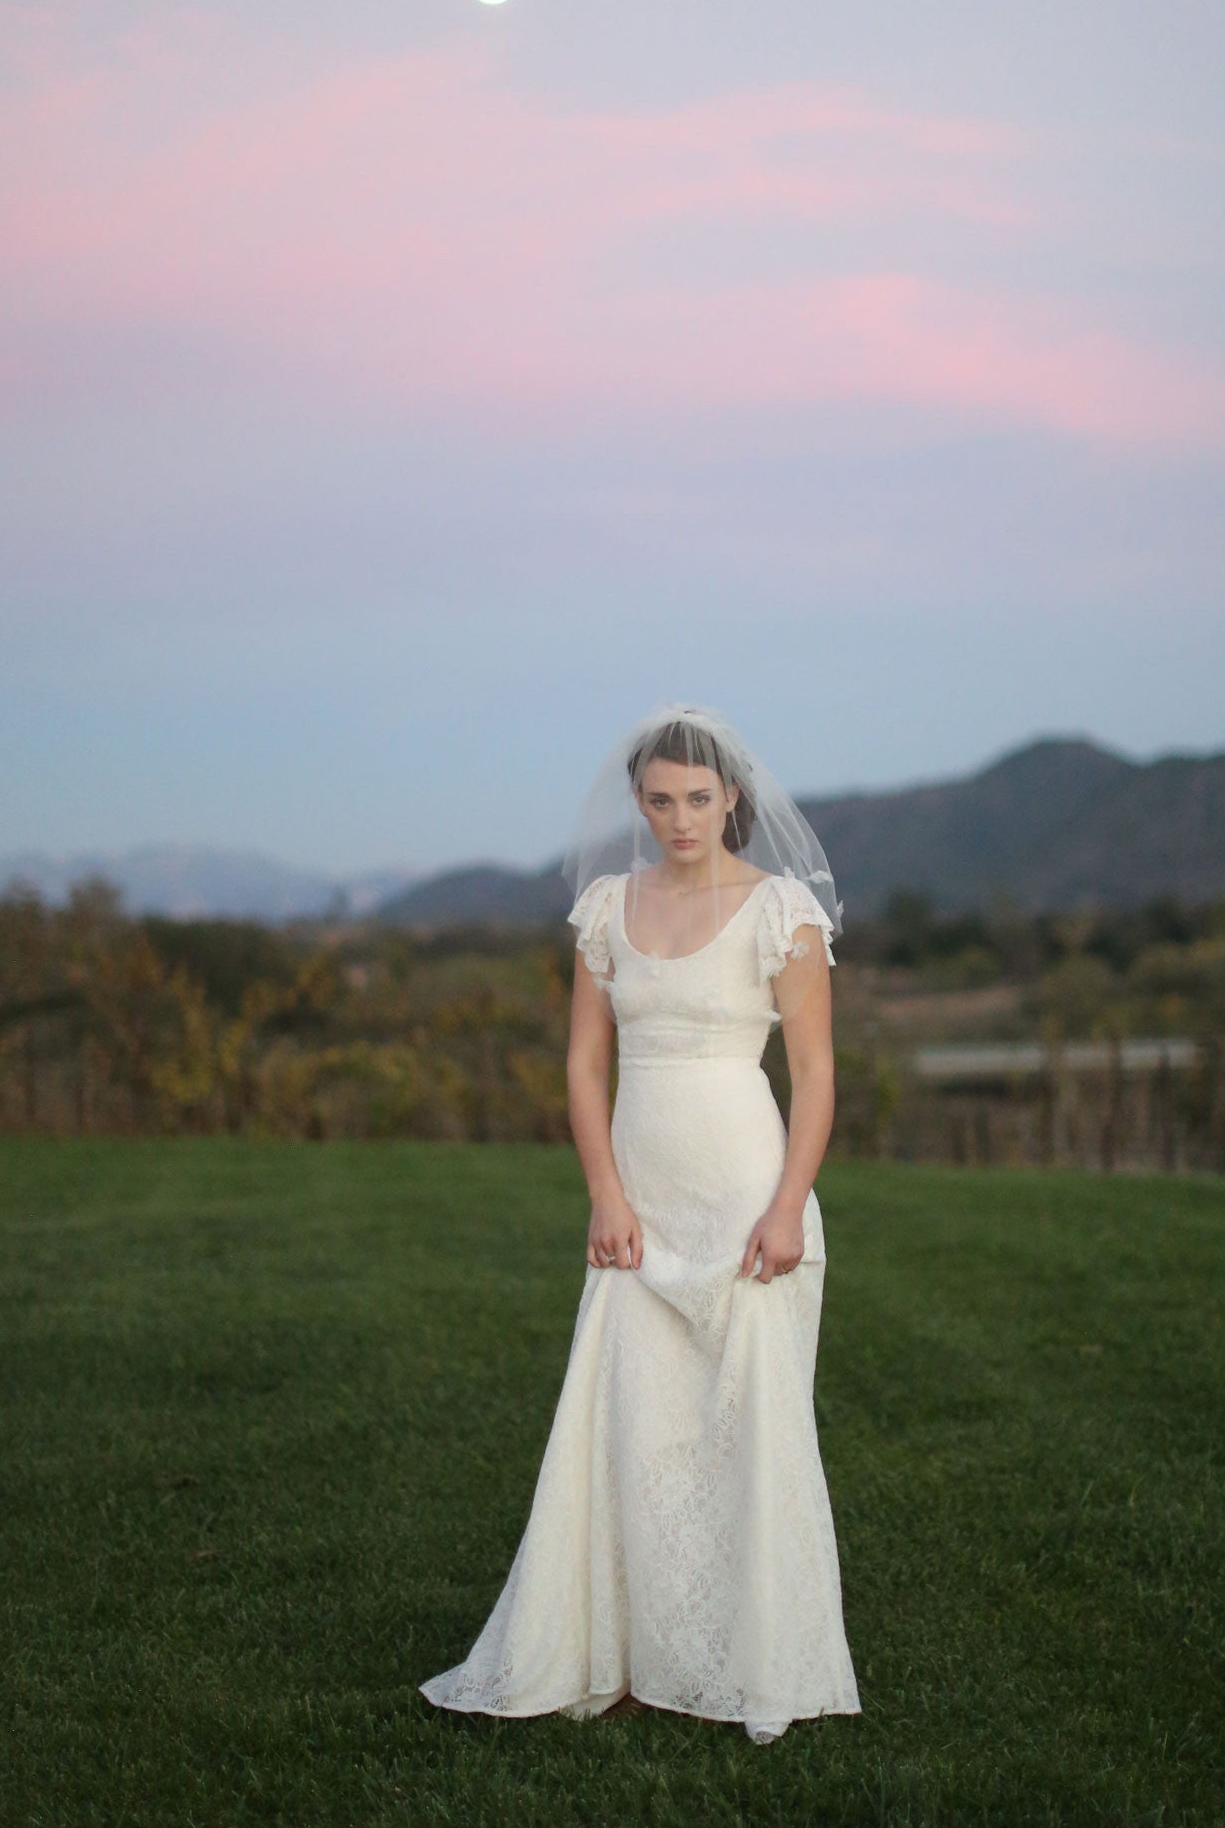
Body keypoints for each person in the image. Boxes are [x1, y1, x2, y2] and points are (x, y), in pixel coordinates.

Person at [418, 701, 861, 1742]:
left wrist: (789, 1202)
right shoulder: (607, 908)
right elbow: (582, 1063)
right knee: (629, 1428)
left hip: (750, 1195)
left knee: (746, 1431)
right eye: (659, 798)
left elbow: (819, 1071)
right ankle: (621, 1654)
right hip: (639, 1204)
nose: (679, 816)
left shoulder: (781, 910)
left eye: (698, 798)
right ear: (638, 801)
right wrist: (604, 1192)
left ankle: (750, 1665)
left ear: (733, 799)